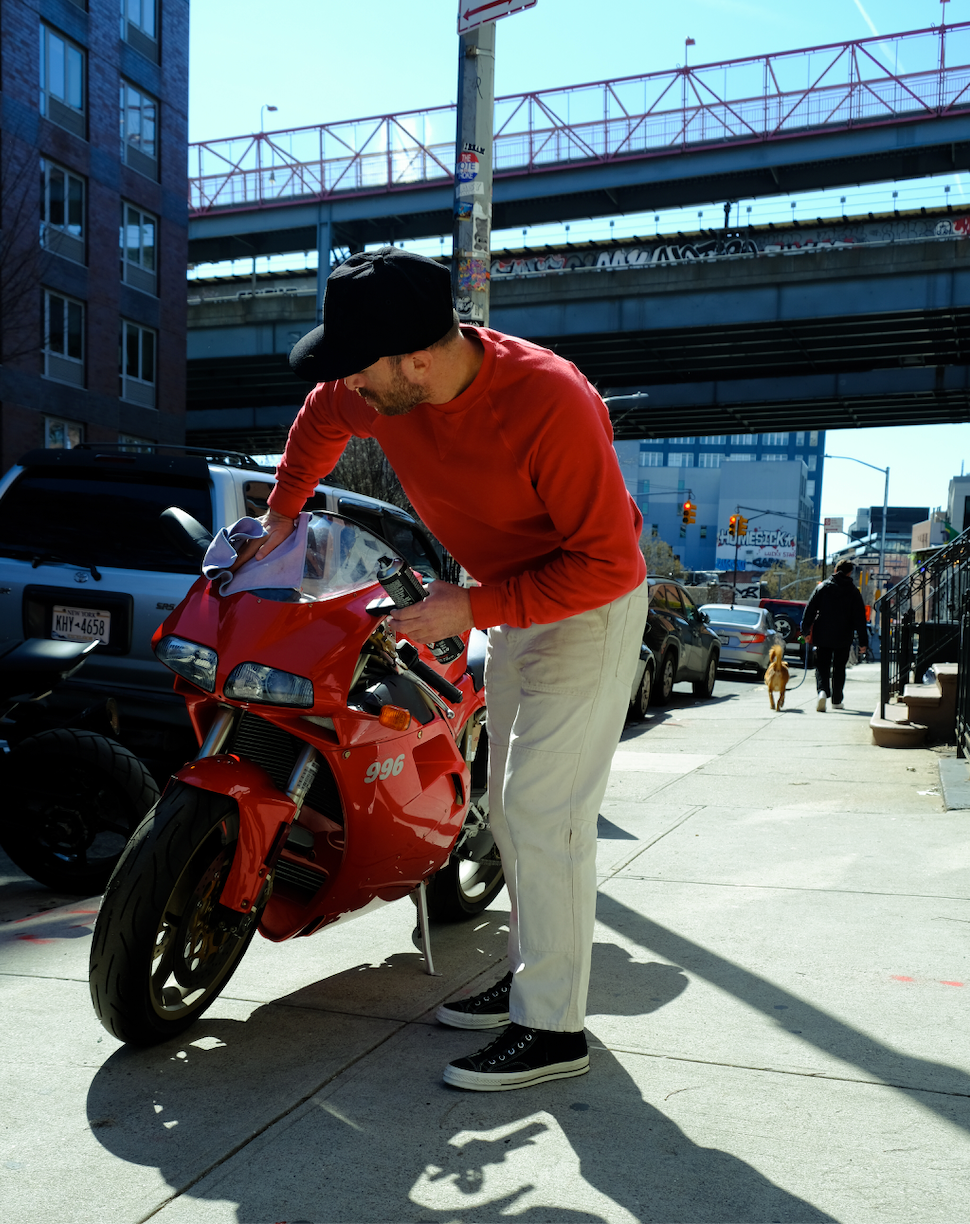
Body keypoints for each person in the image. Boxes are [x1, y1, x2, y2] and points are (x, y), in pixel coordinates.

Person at [255, 246, 648, 1092]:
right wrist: (281, 518)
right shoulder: (380, 389)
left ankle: (553, 1030)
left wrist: (470, 608)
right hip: (509, 602)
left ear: (418, 359)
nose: (349, 391)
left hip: (586, 609)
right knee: (508, 814)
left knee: (546, 813)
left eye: (361, 375)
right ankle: (538, 974)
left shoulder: (550, 400)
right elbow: (320, 420)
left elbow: (610, 565)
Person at [801, 559, 869, 712]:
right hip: (844, 636)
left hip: (822, 634)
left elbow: (809, 610)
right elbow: (860, 618)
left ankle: (823, 692)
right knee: (839, 668)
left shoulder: (823, 587)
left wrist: (805, 631)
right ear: (850, 572)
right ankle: (837, 701)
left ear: (835, 569)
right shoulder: (853, 591)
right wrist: (863, 642)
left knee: (822, 666)